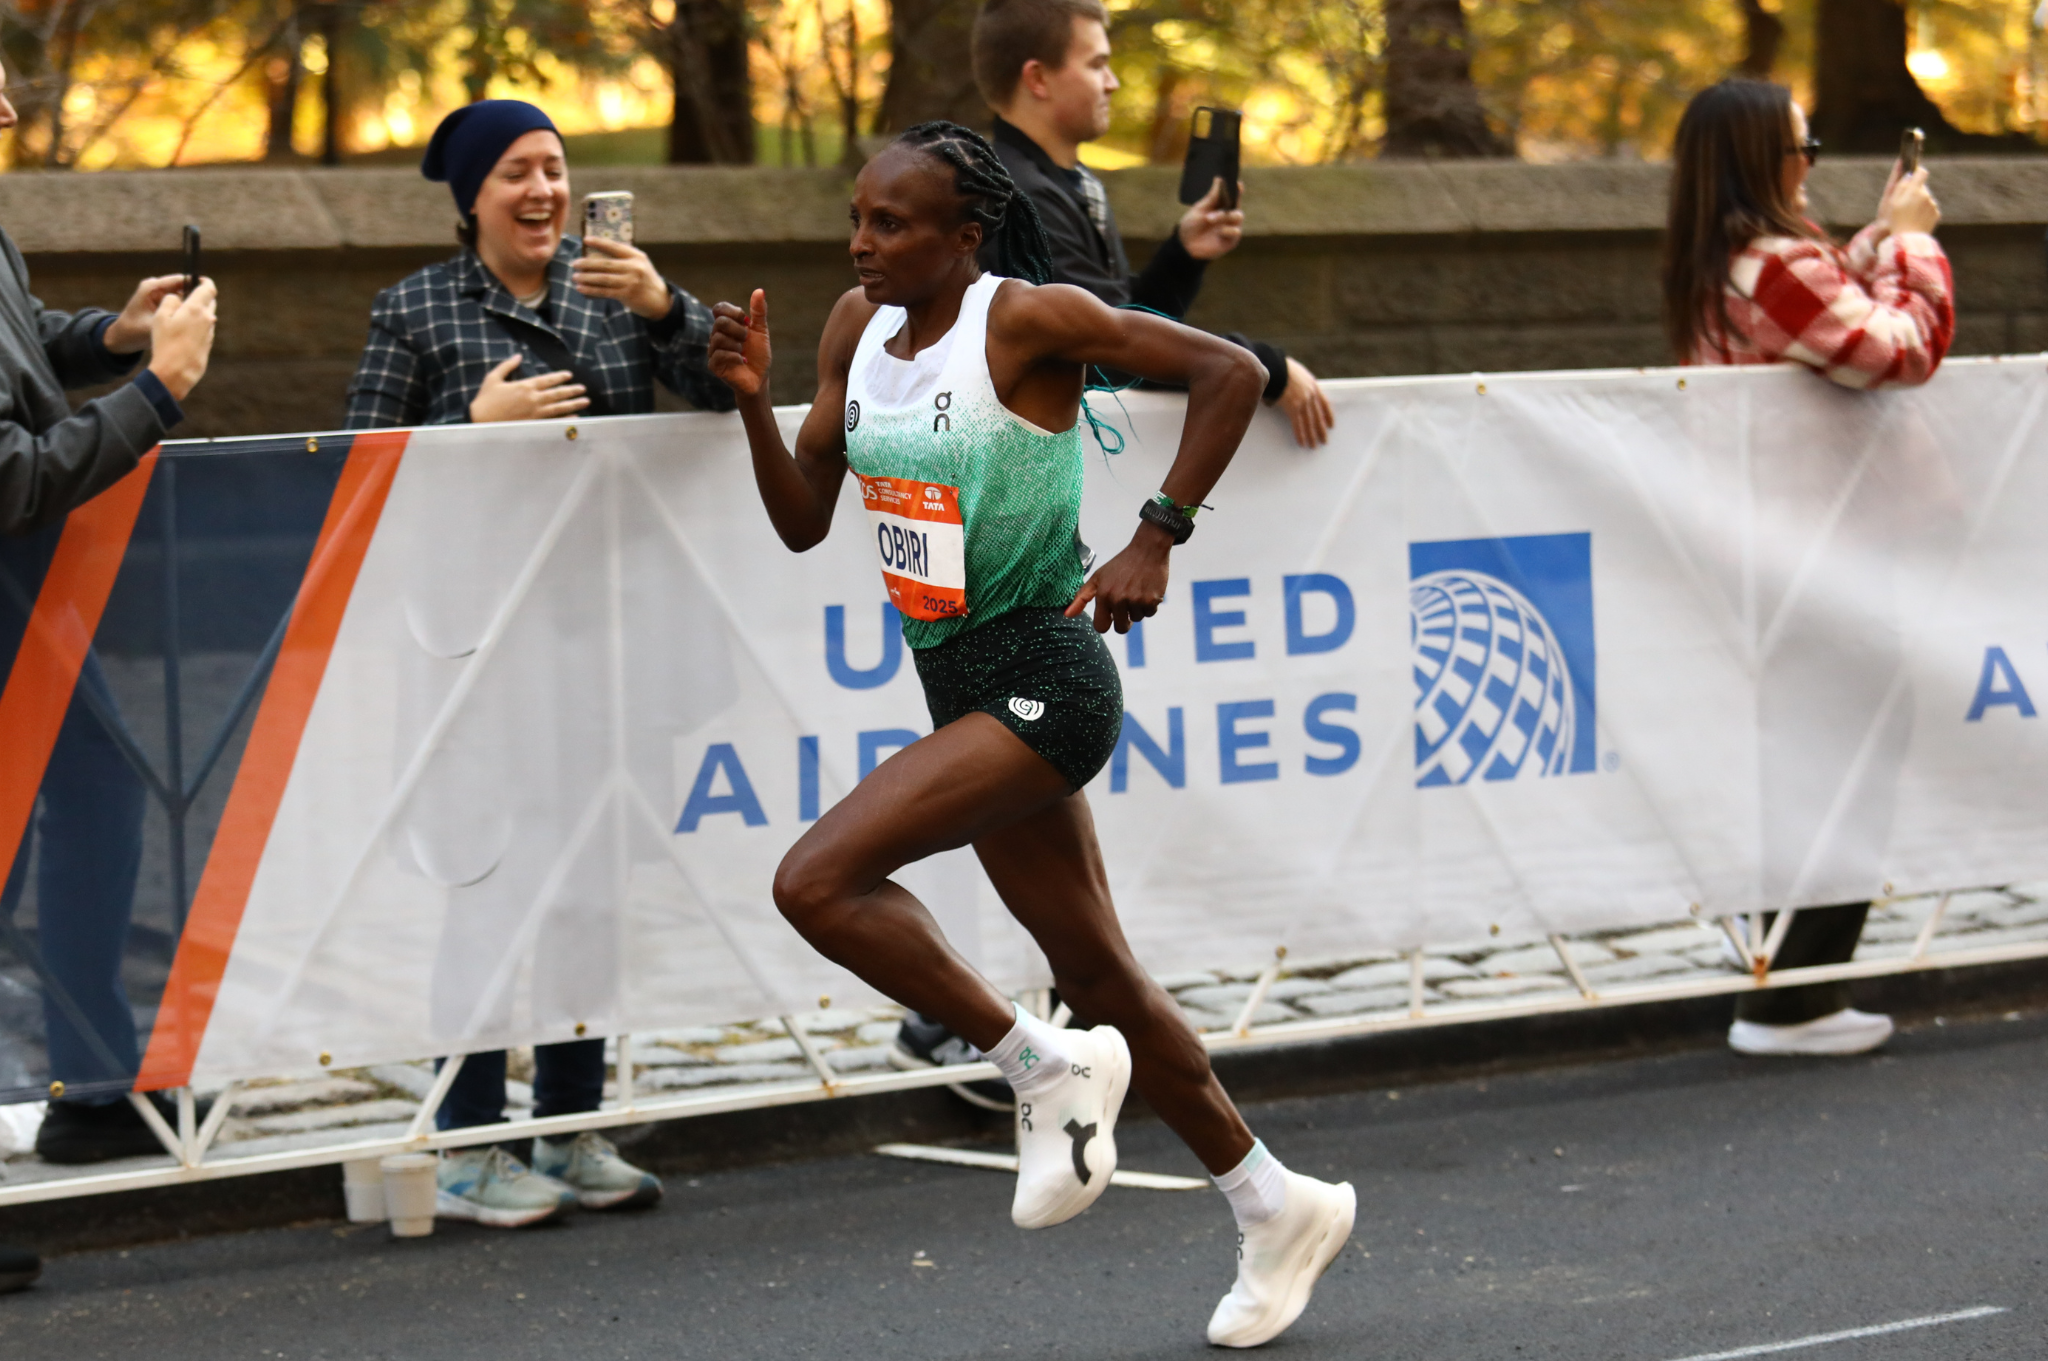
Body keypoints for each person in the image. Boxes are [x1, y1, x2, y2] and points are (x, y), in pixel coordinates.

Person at [707, 120, 1354, 1349]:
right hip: (957, 686)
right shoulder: (854, 330)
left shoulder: (1025, 320)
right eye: (856, 218)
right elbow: (801, 522)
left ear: (965, 235)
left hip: (1048, 681)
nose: (861, 242)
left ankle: (1039, 1064)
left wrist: (1156, 533)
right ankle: (1274, 1201)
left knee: (816, 879)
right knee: (1102, 970)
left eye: (891, 224)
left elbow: (1226, 371)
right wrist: (750, 405)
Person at [343, 99, 732, 1226]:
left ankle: (569, 1124)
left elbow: (729, 387)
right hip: (478, 656)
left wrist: (664, 302)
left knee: (594, 893)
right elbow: (356, 480)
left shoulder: (614, 291)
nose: (543, 192)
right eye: (516, 171)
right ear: (471, 197)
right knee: (487, 888)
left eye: (555, 169)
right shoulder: (413, 308)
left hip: (609, 644)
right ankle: (467, 1138)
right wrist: (471, 428)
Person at [1662, 78, 1951, 1058]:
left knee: (1813, 764)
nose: (1811, 159)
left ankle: (1787, 988)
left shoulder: (1731, 262)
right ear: (1762, 159)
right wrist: (1911, 244)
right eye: (1803, 143)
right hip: (1828, 560)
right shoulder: (1768, 262)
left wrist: (1878, 235)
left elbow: (1826, 296)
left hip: (1788, 558)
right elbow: (1892, 346)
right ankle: (1792, 998)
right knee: (1842, 766)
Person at [0, 57, 216, 1292]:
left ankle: (92, 1080)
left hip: (24, 616)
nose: (14, 114)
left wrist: (113, 335)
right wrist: (159, 389)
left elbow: (22, 350)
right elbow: (15, 473)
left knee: (96, 794)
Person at [970, 0, 1335, 450]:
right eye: (1097, 65)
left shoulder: (1067, 183)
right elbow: (1112, 352)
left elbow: (1120, 322)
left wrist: (1183, 256)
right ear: (1038, 79)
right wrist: (1267, 369)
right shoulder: (1019, 198)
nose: (1113, 82)